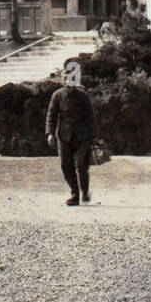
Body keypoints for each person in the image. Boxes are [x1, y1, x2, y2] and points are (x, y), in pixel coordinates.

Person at [45, 72, 99, 206]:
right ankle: (75, 194)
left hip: (83, 136)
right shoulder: (57, 96)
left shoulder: (83, 96)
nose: (70, 83)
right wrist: (50, 133)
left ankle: (84, 192)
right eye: (67, 80)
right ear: (63, 81)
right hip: (63, 135)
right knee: (65, 165)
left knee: (81, 164)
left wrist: (94, 137)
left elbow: (91, 117)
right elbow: (51, 116)